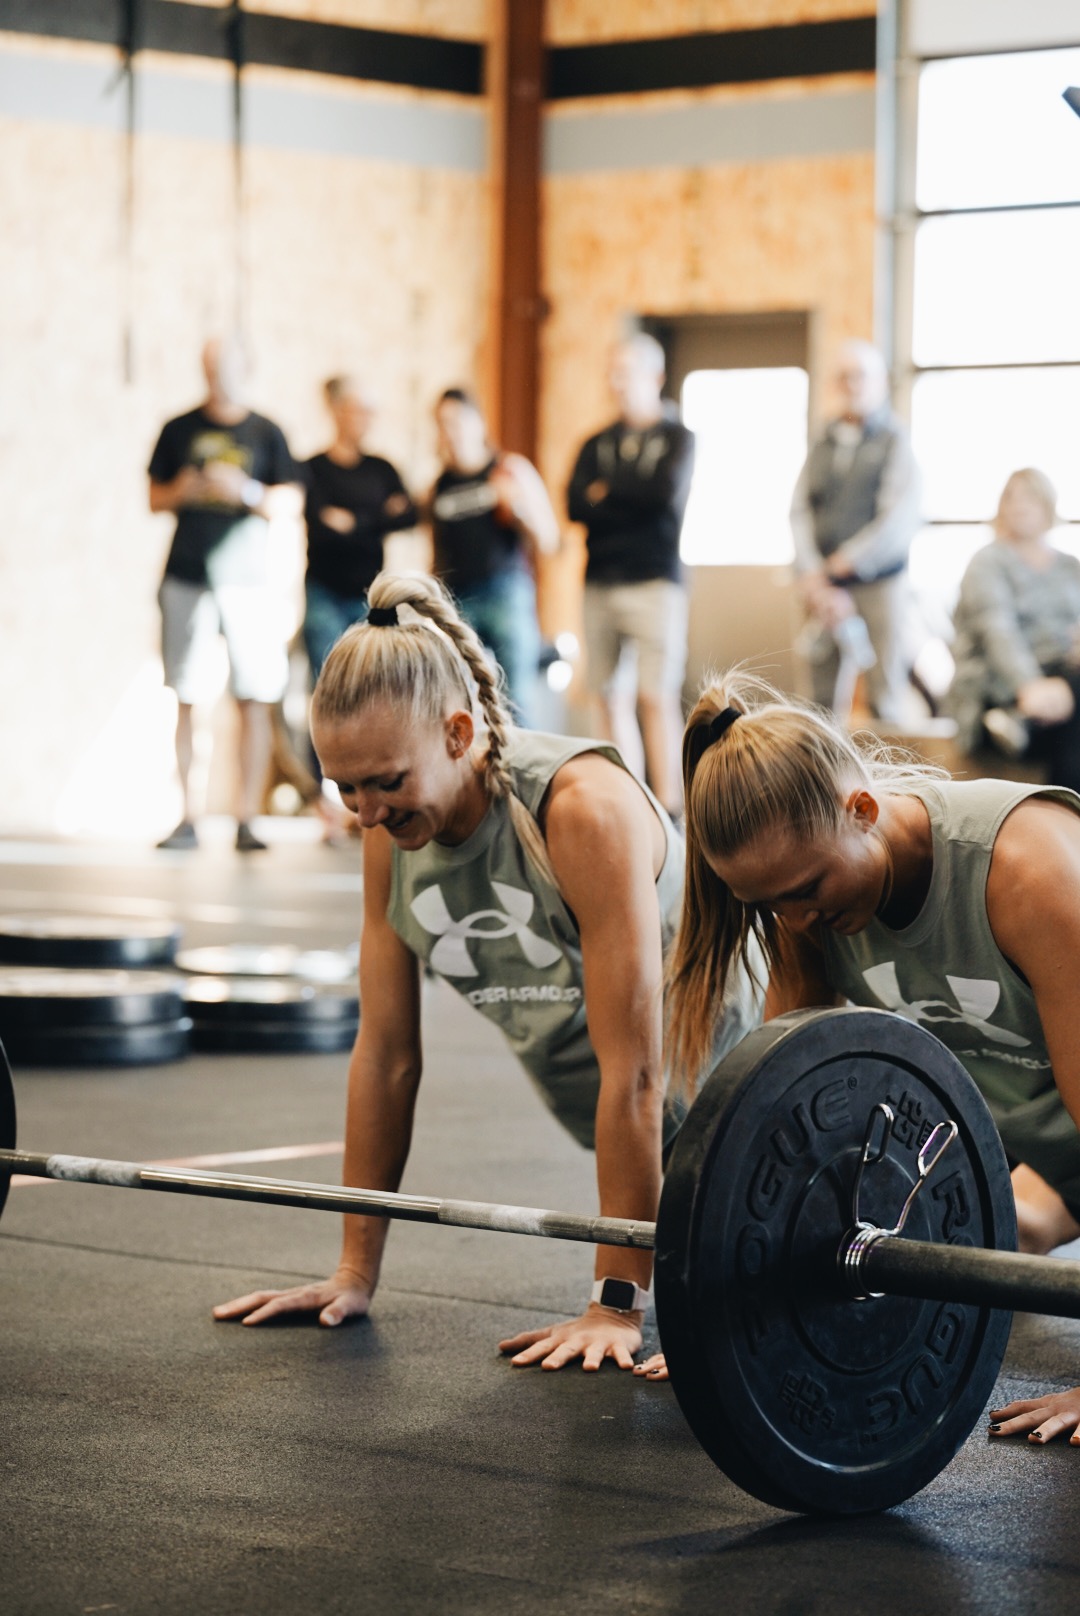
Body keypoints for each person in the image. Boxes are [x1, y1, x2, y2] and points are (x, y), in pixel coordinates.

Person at [213, 572, 763, 1369]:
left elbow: (638, 1074)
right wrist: (353, 1270)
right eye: (345, 787)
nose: (366, 813)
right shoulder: (384, 833)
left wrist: (616, 1306)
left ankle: (1018, 1205)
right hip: (647, 1146)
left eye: (387, 783)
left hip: (745, 1114)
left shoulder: (579, 810)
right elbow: (387, 1057)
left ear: (458, 734)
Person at [645, 669, 1080, 1439]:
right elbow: (784, 1115)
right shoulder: (803, 897)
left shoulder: (1027, 870)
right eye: (771, 903)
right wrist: (733, 1327)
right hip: (1056, 1157)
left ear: (864, 809)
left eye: (807, 888)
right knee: (983, 1243)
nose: (796, 916)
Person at [149, 336, 301, 852]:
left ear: (245, 369)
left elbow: (290, 500)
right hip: (188, 576)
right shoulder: (178, 429)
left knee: (252, 699)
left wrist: (247, 492)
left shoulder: (267, 432)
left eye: (228, 367)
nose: (219, 376)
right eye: (211, 367)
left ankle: (246, 819)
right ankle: (187, 817)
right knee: (187, 696)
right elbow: (153, 495)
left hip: (249, 582)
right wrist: (188, 489)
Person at [566, 333, 695, 818]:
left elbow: (660, 494)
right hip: (600, 582)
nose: (617, 383)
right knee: (607, 695)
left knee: (655, 695)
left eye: (628, 372)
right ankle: (628, 800)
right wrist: (622, 497)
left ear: (655, 377)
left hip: (655, 583)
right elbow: (576, 504)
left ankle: (671, 807)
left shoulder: (678, 439)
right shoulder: (594, 444)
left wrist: (608, 495)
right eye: (612, 373)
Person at [790, 340, 921, 724]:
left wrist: (850, 561)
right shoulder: (821, 440)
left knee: (885, 694)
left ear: (880, 382)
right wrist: (814, 571)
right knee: (816, 701)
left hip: (879, 583)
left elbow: (898, 516)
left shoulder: (895, 440)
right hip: (823, 586)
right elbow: (799, 508)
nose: (852, 385)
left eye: (861, 376)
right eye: (844, 377)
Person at [429, 388, 559, 726]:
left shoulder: (510, 469)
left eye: (457, 421)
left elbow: (548, 540)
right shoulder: (437, 486)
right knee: (455, 698)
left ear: (478, 423)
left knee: (516, 701)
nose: (451, 431)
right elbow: (435, 549)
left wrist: (516, 507)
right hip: (457, 599)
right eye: (443, 423)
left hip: (505, 594)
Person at [945, 468, 1080, 789]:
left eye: (1029, 496)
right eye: (1010, 497)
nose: (1019, 505)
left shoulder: (1069, 566)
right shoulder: (987, 562)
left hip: (1064, 679)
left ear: (1048, 505)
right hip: (999, 690)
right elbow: (997, 631)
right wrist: (1030, 686)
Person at [301, 375, 417, 682]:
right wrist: (380, 516)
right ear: (339, 412)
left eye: (371, 412)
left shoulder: (382, 469)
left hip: (372, 596)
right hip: (324, 592)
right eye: (360, 411)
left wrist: (355, 521)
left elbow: (410, 515)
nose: (367, 420)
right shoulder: (313, 469)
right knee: (328, 683)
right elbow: (322, 526)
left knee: (375, 685)